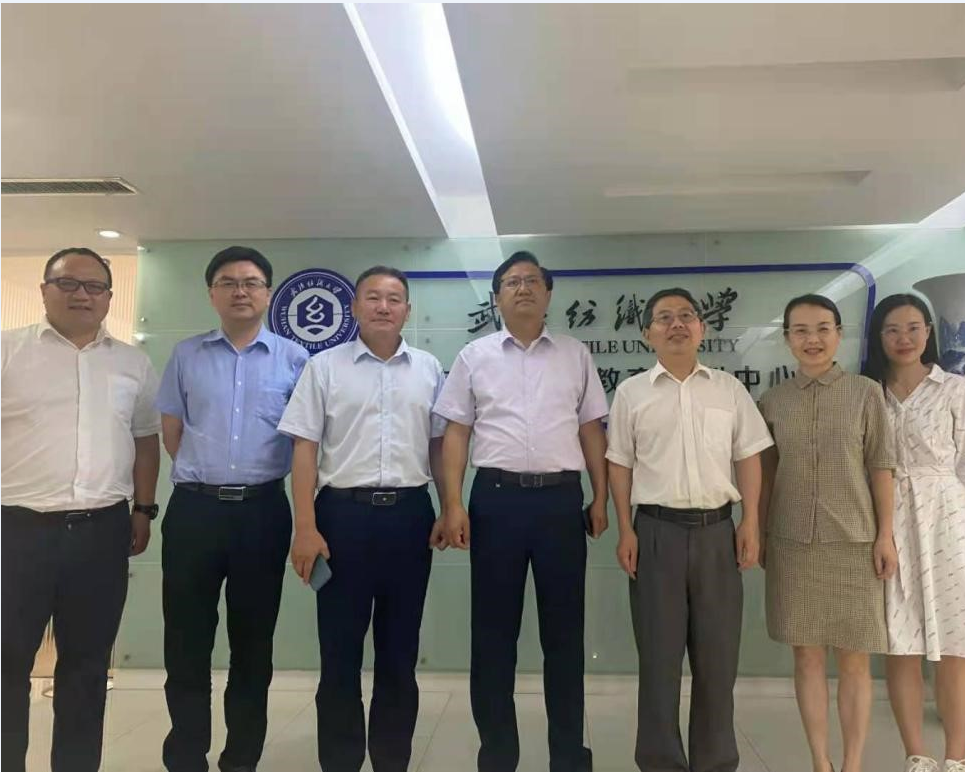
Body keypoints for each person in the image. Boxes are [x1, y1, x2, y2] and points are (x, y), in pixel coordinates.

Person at [435, 251, 609, 772]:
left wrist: (600, 496)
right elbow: (456, 433)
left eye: (533, 280)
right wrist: (452, 503)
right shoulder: (474, 356)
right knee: (493, 636)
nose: (524, 288)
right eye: (512, 282)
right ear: (497, 297)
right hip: (496, 501)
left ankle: (568, 757)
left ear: (548, 293)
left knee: (564, 636)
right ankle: (497, 755)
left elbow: (591, 430)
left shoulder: (575, 354)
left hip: (560, 503)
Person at [278, 265, 448, 772]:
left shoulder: (428, 369)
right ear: (353, 308)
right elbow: (304, 449)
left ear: (407, 311)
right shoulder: (324, 367)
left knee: (400, 652)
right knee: (340, 653)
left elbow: (439, 448)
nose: (383, 306)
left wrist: (449, 507)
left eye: (394, 298)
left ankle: (392, 760)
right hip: (340, 521)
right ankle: (341, 760)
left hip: (410, 517)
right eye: (372, 297)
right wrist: (305, 527)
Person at [1, 247, 161, 772]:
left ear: (109, 298)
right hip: (16, 532)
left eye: (95, 287)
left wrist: (143, 510)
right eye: (68, 283)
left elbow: (144, 440)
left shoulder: (132, 363)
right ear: (44, 290)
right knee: (6, 663)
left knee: (87, 669)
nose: (82, 295)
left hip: (101, 532)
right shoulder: (7, 352)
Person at [606, 287, 772, 772]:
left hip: (718, 533)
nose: (676, 324)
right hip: (655, 533)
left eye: (686, 316)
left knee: (718, 660)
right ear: (647, 334)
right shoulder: (631, 393)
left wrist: (751, 521)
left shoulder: (728, 390)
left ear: (702, 328)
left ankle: (715, 762)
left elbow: (749, 456)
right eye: (664, 318)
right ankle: (660, 762)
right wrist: (625, 529)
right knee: (658, 661)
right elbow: (620, 465)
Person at [156, 246, 309, 772]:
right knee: (185, 638)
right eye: (228, 282)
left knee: (253, 642)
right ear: (211, 294)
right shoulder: (186, 355)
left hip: (262, 513)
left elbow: (304, 441)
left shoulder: (295, 359)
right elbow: (172, 431)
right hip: (194, 512)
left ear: (268, 293)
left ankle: (241, 757)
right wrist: (209, 475)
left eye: (251, 282)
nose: (240, 291)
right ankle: (185, 755)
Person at [759, 293, 897, 772]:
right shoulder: (773, 401)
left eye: (822, 328)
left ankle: (852, 763)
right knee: (807, 656)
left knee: (855, 659)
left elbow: (881, 466)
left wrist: (885, 536)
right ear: (787, 339)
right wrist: (759, 531)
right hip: (792, 544)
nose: (812, 339)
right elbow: (765, 475)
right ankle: (820, 762)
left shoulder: (866, 393)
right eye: (800, 330)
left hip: (855, 543)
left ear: (839, 334)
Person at [862, 293, 965, 772]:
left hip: (948, 521)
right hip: (886, 523)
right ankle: (916, 756)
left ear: (928, 332)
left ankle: (956, 756)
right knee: (900, 644)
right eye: (892, 329)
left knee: (955, 645)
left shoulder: (954, 390)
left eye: (913, 327)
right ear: (878, 337)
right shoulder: (868, 393)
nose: (903, 338)